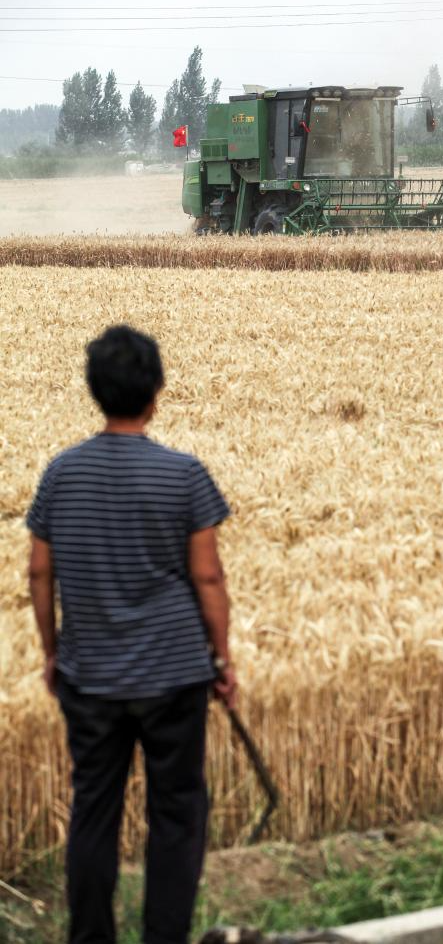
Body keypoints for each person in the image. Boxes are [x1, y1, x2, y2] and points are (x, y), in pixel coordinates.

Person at [27, 324, 237, 944]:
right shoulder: (184, 475)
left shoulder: (61, 474)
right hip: (175, 675)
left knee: (94, 811)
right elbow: (208, 576)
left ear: (95, 390)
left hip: (90, 675)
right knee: (176, 812)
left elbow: (39, 572)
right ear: (156, 392)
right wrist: (221, 657)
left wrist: (52, 652)